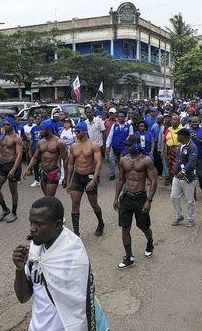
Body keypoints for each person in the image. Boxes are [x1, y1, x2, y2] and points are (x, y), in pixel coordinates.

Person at [12, 196, 108, 331]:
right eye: (31, 223)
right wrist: (19, 268)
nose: (32, 229)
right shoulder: (34, 250)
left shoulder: (72, 255)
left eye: (38, 224)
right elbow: (23, 297)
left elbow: (81, 306)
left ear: (57, 225)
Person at [113, 135, 157, 269]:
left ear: (137, 145)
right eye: (126, 145)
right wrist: (116, 197)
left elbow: (153, 181)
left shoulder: (146, 161)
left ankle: (150, 241)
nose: (126, 147)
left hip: (140, 198)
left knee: (144, 227)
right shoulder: (123, 160)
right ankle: (129, 257)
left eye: (129, 145)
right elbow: (120, 179)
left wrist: (149, 200)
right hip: (126, 197)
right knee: (125, 227)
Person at [66, 122, 104, 237]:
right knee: (74, 205)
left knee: (94, 204)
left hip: (89, 177)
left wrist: (94, 180)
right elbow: (70, 165)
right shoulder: (74, 146)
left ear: (84, 131)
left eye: (78, 131)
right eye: (75, 131)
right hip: (77, 177)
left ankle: (101, 223)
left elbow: (98, 163)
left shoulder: (94, 145)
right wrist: (68, 181)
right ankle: (76, 233)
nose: (76, 133)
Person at [23, 119, 68, 196]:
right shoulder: (40, 142)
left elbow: (66, 160)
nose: (40, 131)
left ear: (48, 129)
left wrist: (66, 177)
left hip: (53, 172)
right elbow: (35, 157)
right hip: (43, 172)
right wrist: (28, 168)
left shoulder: (59, 142)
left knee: (49, 198)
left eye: (42, 129)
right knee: (46, 197)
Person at [0, 117, 23, 223]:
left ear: (12, 125)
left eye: (7, 124)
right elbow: (1, 151)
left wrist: (13, 169)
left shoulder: (16, 138)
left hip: (12, 166)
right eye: (4, 124)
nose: (5, 126)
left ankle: (14, 212)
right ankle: (5, 209)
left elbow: (19, 155)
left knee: (13, 191)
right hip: (2, 165)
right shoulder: (2, 137)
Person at [170, 128, 198, 227]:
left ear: (184, 136)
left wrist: (183, 171)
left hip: (187, 177)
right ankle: (179, 216)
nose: (177, 136)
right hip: (177, 176)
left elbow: (192, 161)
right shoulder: (180, 146)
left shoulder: (192, 147)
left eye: (179, 135)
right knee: (174, 196)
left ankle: (191, 219)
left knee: (189, 200)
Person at [106, 110, 134, 180]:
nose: (120, 118)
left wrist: (127, 146)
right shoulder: (114, 125)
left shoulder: (129, 126)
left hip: (123, 147)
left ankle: (122, 174)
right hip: (114, 146)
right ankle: (112, 174)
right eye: (119, 116)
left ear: (125, 117)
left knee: (122, 161)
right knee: (111, 159)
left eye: (122, 116)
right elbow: (110, 136)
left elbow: (131, 137)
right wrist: (107, 146)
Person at [189, 116, 202, 196]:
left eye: (196, 122)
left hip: (200, 156)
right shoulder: (188, 130)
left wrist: (197, 139)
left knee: (201, 175)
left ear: (199, 122)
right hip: (190, 157)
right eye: (193, 122)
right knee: (191, 175)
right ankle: (192, 193)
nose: (194, 123)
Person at [165, 114, 182, 183]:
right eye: (172, 119)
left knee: (179, 168)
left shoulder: (182, 129)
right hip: (171, 150)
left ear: (178, 121)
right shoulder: (168, 130)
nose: (173, 121)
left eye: (175, 119)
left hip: (180, 150)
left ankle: (179, 183)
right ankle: (173, 184)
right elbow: (164, 140)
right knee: (171, 169)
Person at [29, 115, 43, 187]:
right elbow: (32, 139)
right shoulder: (33, 128)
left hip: (42, 149)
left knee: (43, 165)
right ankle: (36, 180)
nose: (37, 120)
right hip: (35, 149)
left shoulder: (43, 128)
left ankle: (43, 179)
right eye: (36, 119)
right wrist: (30, 149)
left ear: (41, 119)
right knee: (35, 165)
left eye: (39, 119)